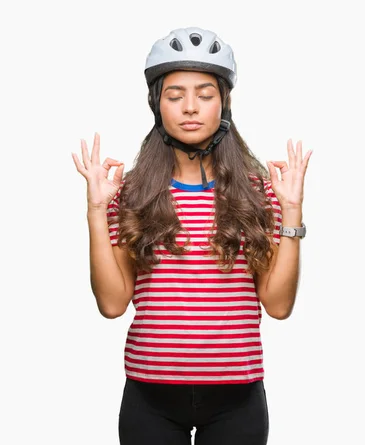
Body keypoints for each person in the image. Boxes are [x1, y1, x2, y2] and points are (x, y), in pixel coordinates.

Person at [71, 26, 312, 445]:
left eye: (205, 94)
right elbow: (111, 304)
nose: (190, 108)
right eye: (174, 95)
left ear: (224, 103)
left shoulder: (261, 194)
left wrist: (291, 210)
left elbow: (278, 306)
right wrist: (96, 210)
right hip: (150, 397)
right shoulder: (129, 194)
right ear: (156, 104)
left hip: (238, 397)